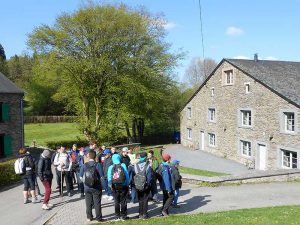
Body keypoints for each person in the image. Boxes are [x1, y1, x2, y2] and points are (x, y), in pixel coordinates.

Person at [80, 150, 104, 222]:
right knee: (97, 202)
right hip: (96, 187)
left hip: (87, 188)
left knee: (88, 203)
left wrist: (86, 183)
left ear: (88, 156)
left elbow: (80, 176)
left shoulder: (84, 165)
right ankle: (98, 218)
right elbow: (102, 177)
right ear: (95, 156)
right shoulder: (98, 165)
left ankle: (89, 217)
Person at [107, 154, 130, 220]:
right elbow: (127, 176)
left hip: (114, 186)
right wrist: (127, 184)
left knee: (116, 201)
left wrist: (110, 185)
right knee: (123, 201)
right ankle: (124, 216)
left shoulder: (110, 167)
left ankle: (117, 216)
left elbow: (109, 178)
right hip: (123, 186)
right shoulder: (123, 165)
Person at [133, 152, 152, 219]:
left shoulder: (135, 165)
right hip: (146, 185)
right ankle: (145, 214)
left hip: (138, 185)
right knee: (145, 200)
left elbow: (134, 175)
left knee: (140, 200)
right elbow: (149, 178)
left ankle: (140, 214)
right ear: (146, 157)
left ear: (140, 157)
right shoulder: (148, 165)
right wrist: (148, 185)